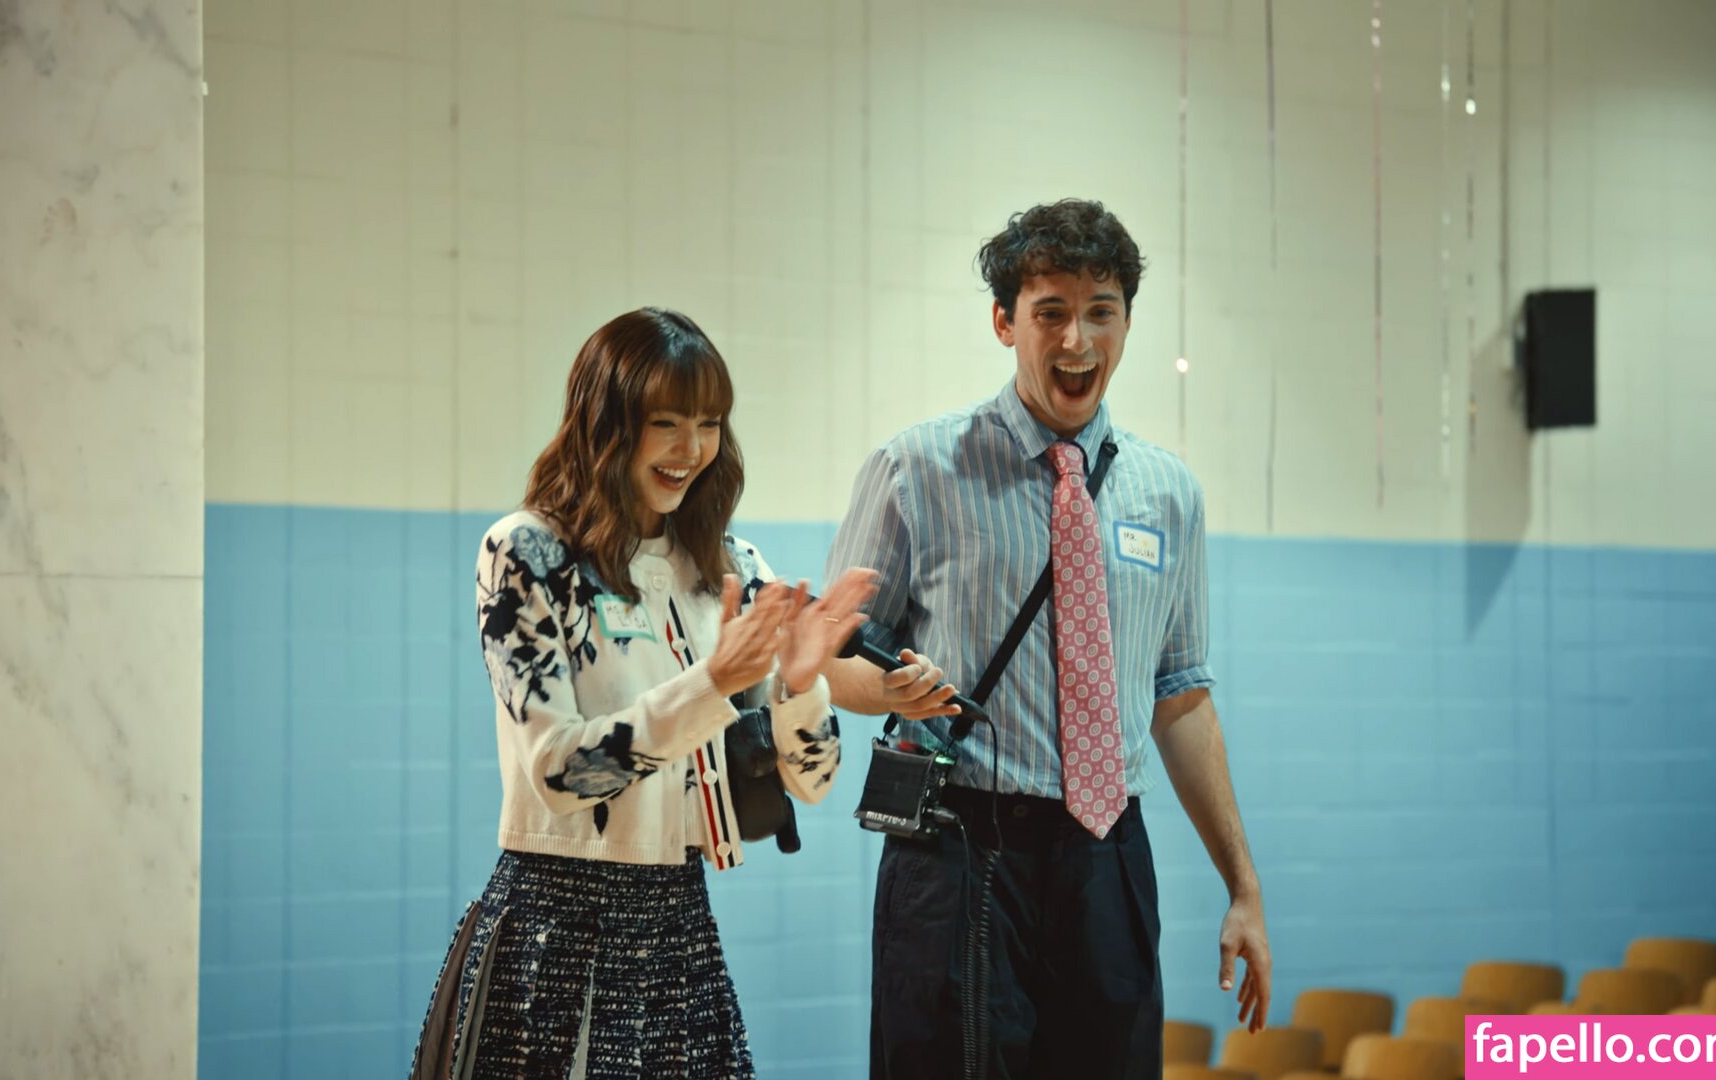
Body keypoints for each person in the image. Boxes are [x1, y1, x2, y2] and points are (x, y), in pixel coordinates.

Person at [823, 199, 1272, 1078]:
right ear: (1005, 322)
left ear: (1127, 322)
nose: (1077, 340)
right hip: (960, 851)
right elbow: (834, 664)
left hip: (1109, 858)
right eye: (1051, 312)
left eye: (1101, 311)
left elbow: (1180, 697)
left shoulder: (1167, 492)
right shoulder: (916, 469)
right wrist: (891, 691)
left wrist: (1243, 887)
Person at [410, 307, 878, 1080]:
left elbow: (815, 782)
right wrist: (714, 683)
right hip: (553, 922)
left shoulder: (731, 564)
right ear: (608, 422)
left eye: (709, 423)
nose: (692, 449)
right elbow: (560, 773)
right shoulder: (525, 551)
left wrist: (800, 685)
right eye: (667, 422)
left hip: (679, 925)